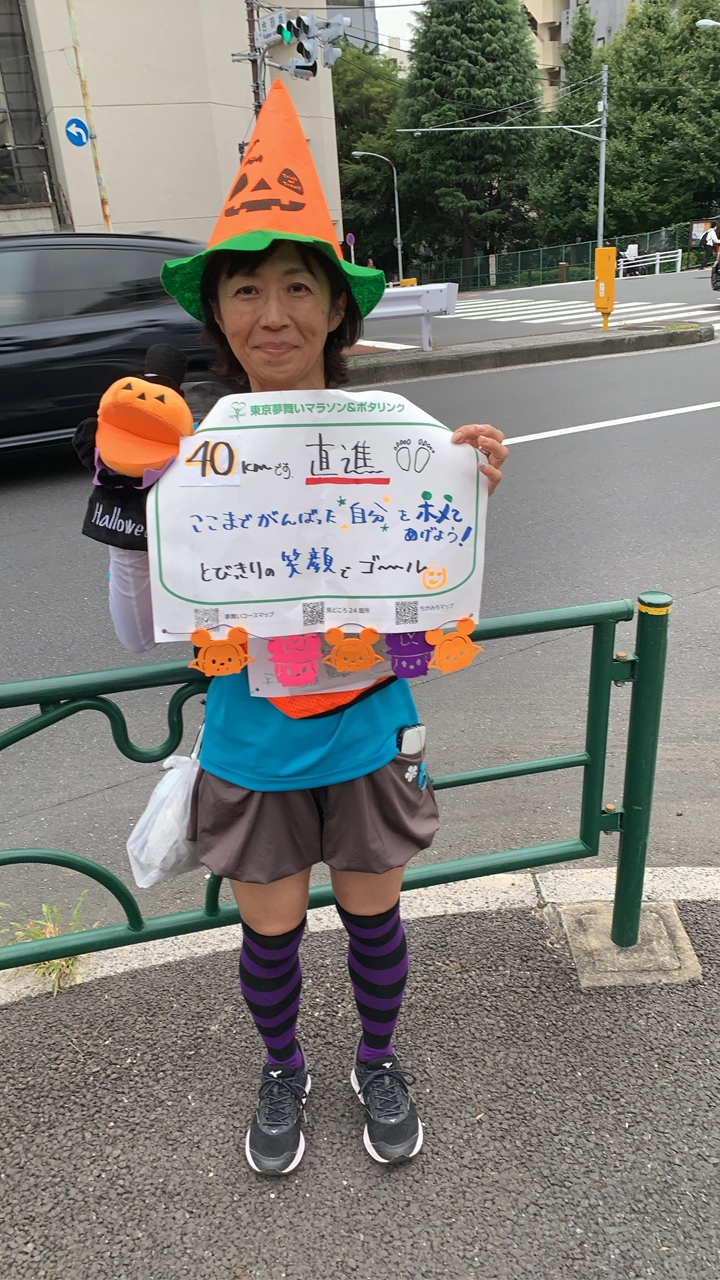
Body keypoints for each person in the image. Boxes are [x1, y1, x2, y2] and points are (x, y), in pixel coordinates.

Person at [75, 81, 508, 1177]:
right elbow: (137, 636)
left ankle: (378, 1057)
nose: (274, 312)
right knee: (269, 932)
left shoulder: (401, 436)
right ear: (220, 316)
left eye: (299, 286)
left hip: (369, 728)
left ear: (335, 312)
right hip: (250, 738)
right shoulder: (192, 453)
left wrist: (460, 491)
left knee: (374, 922)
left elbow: (432, 617)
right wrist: (128, 512)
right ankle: (284, 1068)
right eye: (248, 289)